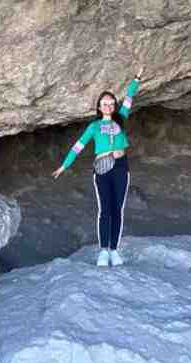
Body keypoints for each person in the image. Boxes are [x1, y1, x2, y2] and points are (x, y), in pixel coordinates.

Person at [52, 70, 141, 267]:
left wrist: (136, 79)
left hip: (121, 166)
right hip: (102, 168)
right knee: (105, 210)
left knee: (118, 210)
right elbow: (78, 146)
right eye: (105, 104)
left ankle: (114, 251)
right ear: (99, 108)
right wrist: (64, 165)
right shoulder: (93, 126)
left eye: (111, 103)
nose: (108, 106)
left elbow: (129, 97)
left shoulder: (121, 119)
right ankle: (103, 251)